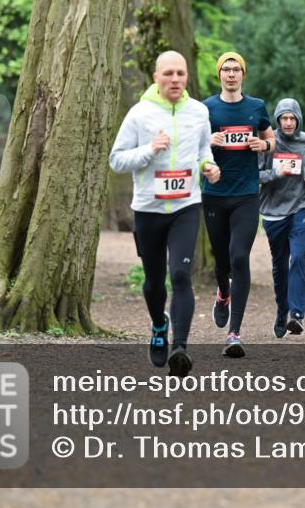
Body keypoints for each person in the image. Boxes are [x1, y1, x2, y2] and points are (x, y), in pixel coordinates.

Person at [109, 51, 220, 377]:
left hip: (186, 206)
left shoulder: (199, 112)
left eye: (180, 73)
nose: (175, 79)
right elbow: (116, 160)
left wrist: (208, 165)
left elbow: (203, 149)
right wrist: (150, 150)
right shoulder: (139, 114)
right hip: (149, 210)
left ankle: (179, 348)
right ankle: (159, 324)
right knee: (154, 281)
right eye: (168, 73)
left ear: (187, 77)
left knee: (182, 275)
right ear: (156, 77)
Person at [203, 51, 275, 358]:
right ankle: (223, 293)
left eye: (236, 69)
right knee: (222, 262)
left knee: (239, 257)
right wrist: (209, 142)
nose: (231, 74)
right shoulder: (207, 108)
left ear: (243, 74)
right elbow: (194, 144)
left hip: (246, 194)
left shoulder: (256, 106)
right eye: (226, 69)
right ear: (219, 74)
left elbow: (272, 139)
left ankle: (234, 333)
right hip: (215, 194)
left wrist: (264, 144)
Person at [258, 98, 305, 337]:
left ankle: (296, 314)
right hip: (273, 211)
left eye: (292, 118)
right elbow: (254, 174)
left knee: (298, 256)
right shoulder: (268, 142)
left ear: (298, 119)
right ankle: (282, 310)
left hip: (301, 206)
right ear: (277, 119)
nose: (288, 122)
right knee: (280, 265)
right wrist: (275, 172)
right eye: (284, 118)